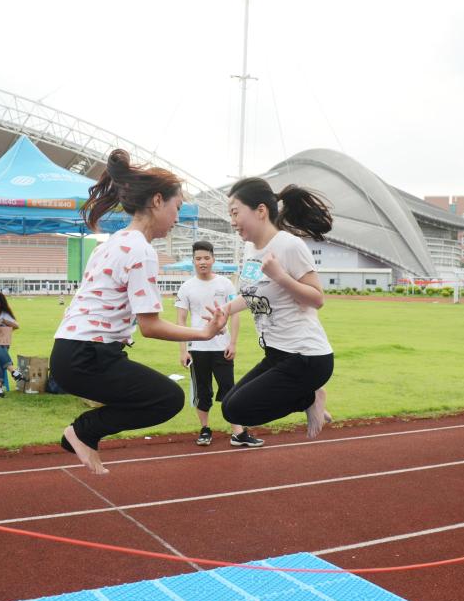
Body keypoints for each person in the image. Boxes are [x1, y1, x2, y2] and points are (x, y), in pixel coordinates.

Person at [50, 148, 227, 474]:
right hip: (88, 356)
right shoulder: (141, 251)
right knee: (167, 399)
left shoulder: (111, 242)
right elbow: (150, 326)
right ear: (157, 201)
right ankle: (82, 431)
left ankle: (85, 433)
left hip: (68, 353)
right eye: (177, 208)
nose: (177, 218)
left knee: (150, 394)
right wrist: (204, 333)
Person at [218, 177, 334, 439]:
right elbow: (252, 293)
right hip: (276, 353)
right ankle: (309, 395)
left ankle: (310, 398)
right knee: (230, 408)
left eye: (235, 213)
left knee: (240, 409)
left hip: (306, 357)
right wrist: (226, 309)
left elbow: (317, 298)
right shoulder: (250, 248)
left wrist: (280, 276)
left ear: (260, 211)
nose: (232, 221)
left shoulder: (289, 245)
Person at [176, 240, 262, 447]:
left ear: (213, 259)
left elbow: (235, 314)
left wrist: (233, 343)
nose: (202, 262)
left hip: (222, 347)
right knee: (202, 391)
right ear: (193, 261)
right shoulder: (186, 287)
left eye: (206, 258)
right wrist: (183, 350)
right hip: (197, 348)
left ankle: (238, 433)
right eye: (198, 258)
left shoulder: (225, 284)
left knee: (229, 389)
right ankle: (205, 429)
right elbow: (181, 320)